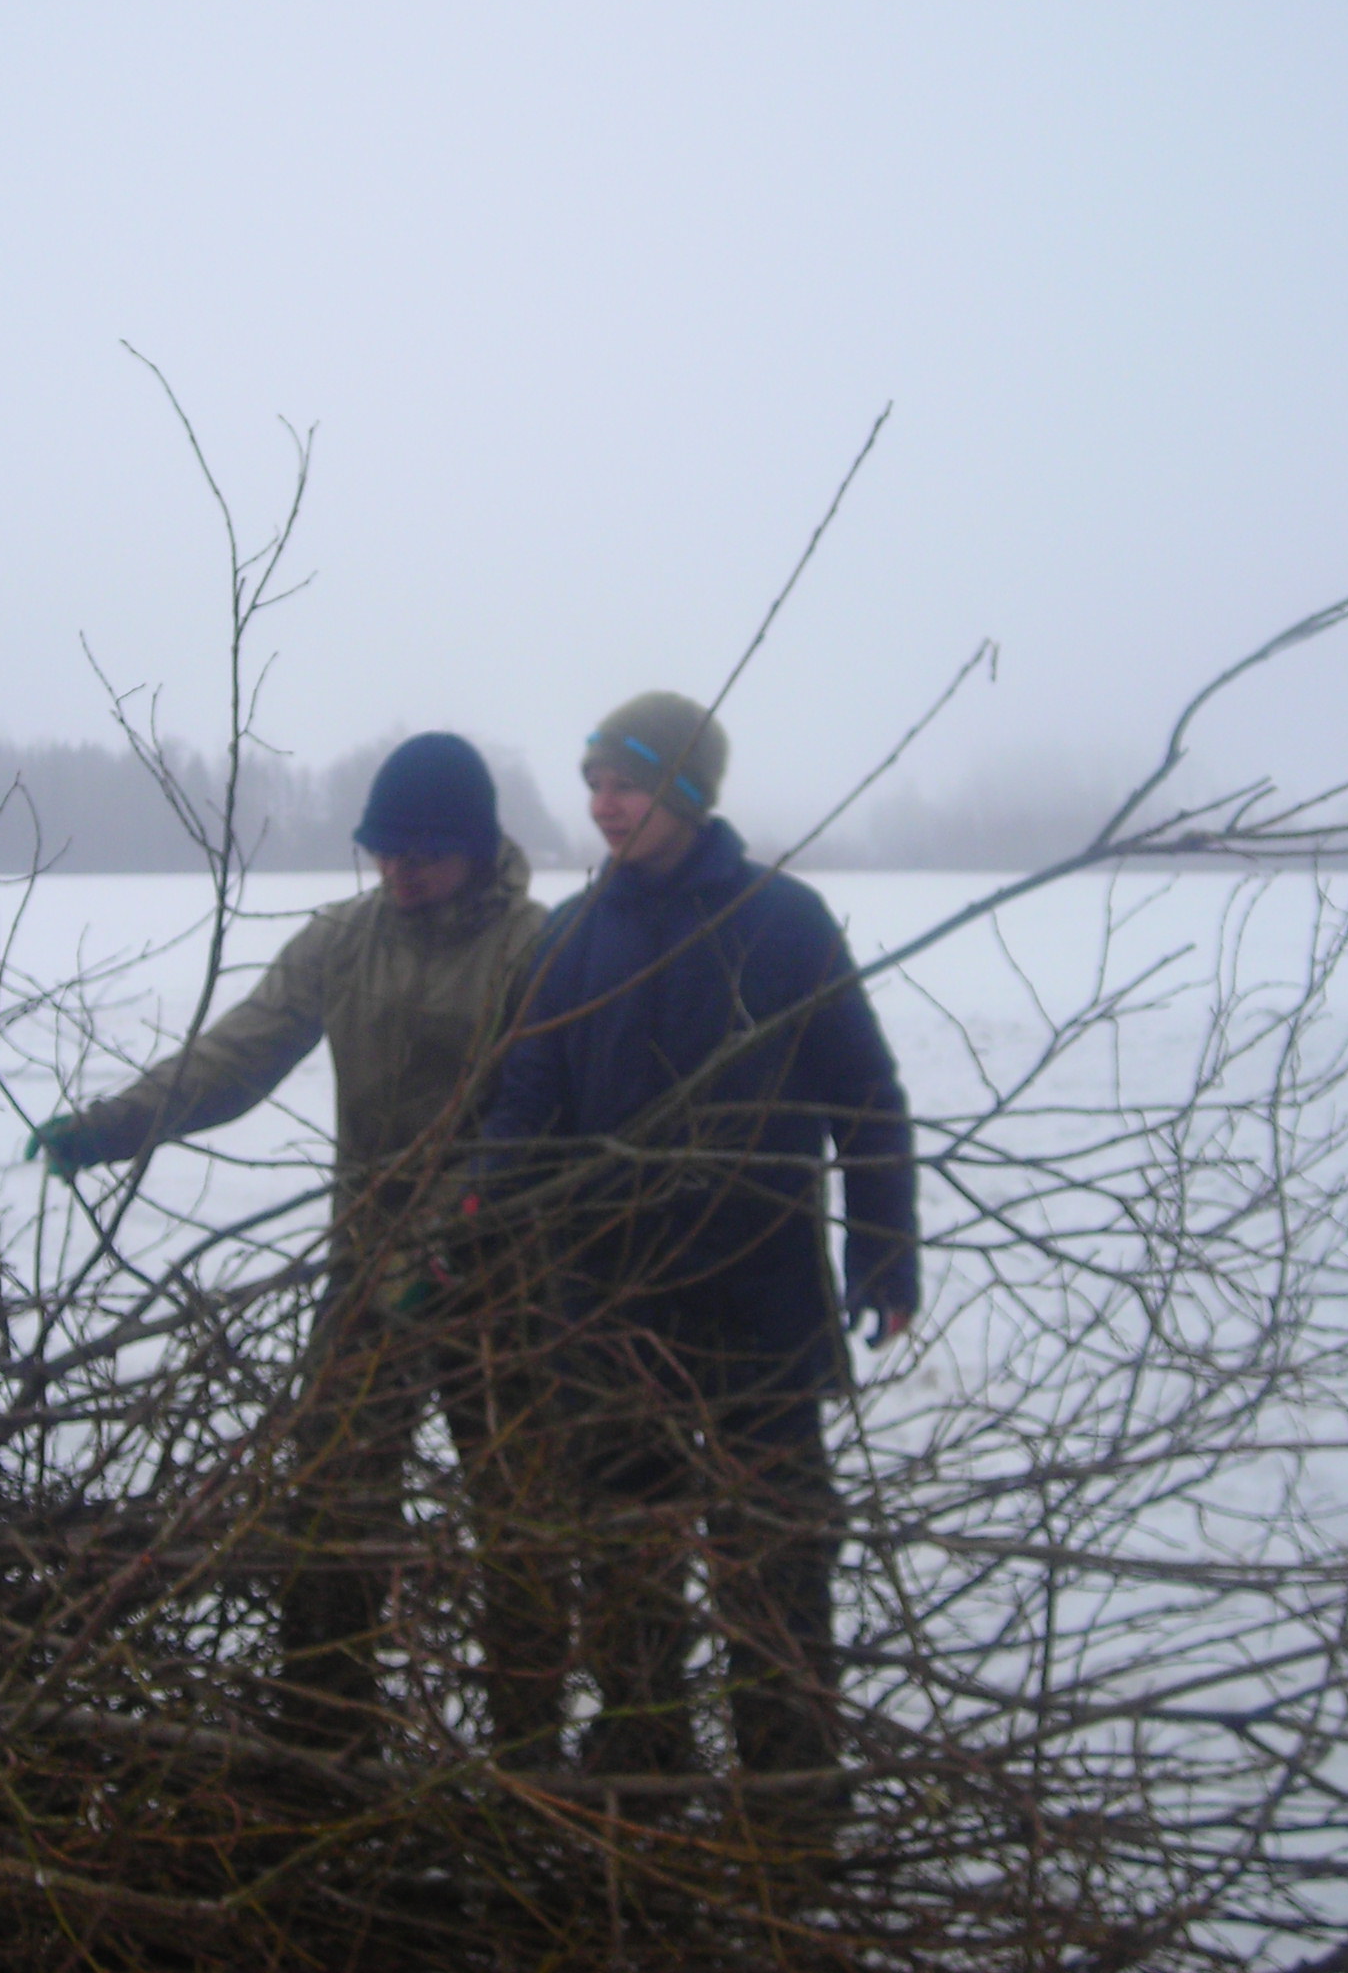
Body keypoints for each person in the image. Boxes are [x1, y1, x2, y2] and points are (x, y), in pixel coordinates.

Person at [26, 731, 559, 1759]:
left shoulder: (532, 948)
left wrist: (458, 1231)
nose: (398, 873)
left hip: (502, 1281)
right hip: (367, 1272)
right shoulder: (342, 940)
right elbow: (236, 1054)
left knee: (522, 1518)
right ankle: (323, 1730)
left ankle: (526, 1758)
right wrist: (115, 1124)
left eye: (422, 855)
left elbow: (533, 1125)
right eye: (381, 852)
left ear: (476, 848)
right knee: (331, 1499)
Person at [475, 690, 918, 1838]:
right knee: (624, 1557)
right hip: (608, 1304)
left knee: (771, 1562)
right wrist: (468, 1218)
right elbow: (526, 1106)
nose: (601, 805)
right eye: (591, 784)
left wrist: (883, 1256)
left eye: (621, 782)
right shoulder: (570, 939)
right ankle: (644, 1768)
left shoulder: (784, 923)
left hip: (757, 1301)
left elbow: (864, 1102)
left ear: (683, 790)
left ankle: (789, 1792)